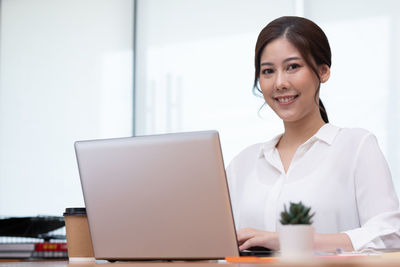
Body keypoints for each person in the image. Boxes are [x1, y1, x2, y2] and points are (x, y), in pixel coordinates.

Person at [226, 16, 400, 252]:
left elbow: (390, 235)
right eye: (268, 71)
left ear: (323, 71)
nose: (280, 83)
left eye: (293, 67)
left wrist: (291, 240)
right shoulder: (242, 164)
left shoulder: (356, 146)